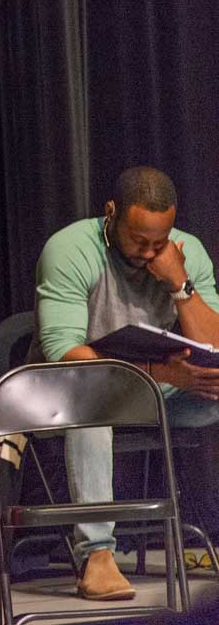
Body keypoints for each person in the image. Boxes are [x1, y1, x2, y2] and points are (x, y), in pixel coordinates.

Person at [34, 166, 219, 600]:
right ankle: (97, 555)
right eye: (139, 239)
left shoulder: (185, 251)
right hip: (78, 393)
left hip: (162, 395)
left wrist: (180, 285)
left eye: (159, 241)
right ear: (111, 213)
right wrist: (159, 373)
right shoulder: (70, 249)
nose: (149, 251)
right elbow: (62, 352)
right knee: (91, 403)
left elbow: (213, 346)